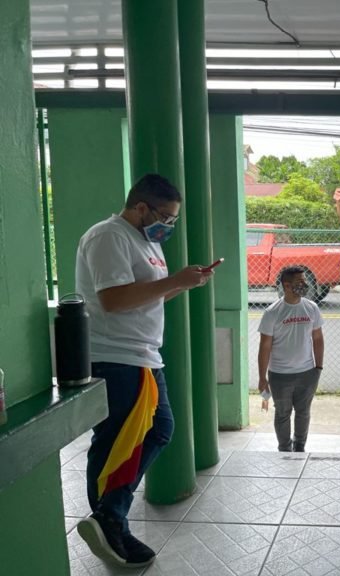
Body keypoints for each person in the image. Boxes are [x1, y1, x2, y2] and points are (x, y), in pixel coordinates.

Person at [75, 173, 213, 568]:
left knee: (150, 431)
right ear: (140, 207)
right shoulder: (108, 236)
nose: (168, 225)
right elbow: (115, 300)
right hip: (116, 355)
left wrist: (183, 285)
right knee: (124, 438)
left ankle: (109, 517)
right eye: (165, 216)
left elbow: (147, 296)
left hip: (143, 353)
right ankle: (109, 518)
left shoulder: (145, 242)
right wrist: (174, 280)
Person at [258, 266, 324, 452]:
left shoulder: (311, 308)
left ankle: (300, 446)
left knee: (303, 413)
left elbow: (318, 339)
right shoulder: (272, 312)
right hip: (280, 375)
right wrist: (263, 378)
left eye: (304, 281)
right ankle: (285, 449)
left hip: (307, 373)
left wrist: (318, 368)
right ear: (286, 285)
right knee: (282, 413)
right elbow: (264, 347)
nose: (304, 285)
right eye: (299, 282)